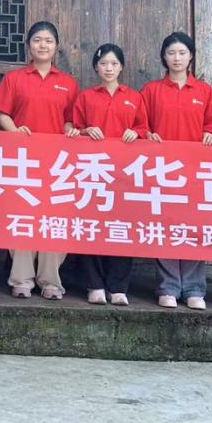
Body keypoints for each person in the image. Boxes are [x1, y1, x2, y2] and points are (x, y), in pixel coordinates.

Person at [0, 21, 79, 300]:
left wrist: (70, 130)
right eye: (37, 40)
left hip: (56, 164)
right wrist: (15, 131)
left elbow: (70, 120)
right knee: (23, 218)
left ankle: (51, 281)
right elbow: (2, 114)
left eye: (48, 41)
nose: (43, 45)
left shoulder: (68, 83)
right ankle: (21, 279)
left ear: (56, 47)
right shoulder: (15, 78)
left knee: (54, 220)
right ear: (28, 45)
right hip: (23, 162)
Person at [141, 31, 212, 310]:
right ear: (164, 57)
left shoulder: (204, 91)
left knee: (194, 228)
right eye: (171, 53)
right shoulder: (152, 90)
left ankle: (195, 288)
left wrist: (210, 134)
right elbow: (141, 125)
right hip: (162, 170)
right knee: (165, 228)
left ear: (191, 57)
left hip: (195, 171)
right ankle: (168, 287)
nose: (177, 58)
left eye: (182, 53)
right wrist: (147, 134)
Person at [72, 43, 148, 306]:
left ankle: (118, 286)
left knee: (121, 229)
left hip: (124, 172)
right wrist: (85, 131)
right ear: (96, 67)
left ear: (121, 67)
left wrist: (136, 133)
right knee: (91, 227)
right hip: (93, 172)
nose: (108, 68)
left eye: (114, 63)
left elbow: (144, 128)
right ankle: (94, 284)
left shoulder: (134, 97)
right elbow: (74, 129)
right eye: (103, 63)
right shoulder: (86, 97)